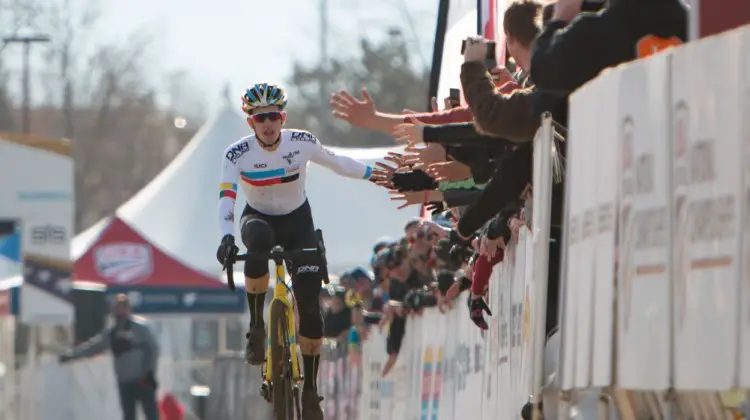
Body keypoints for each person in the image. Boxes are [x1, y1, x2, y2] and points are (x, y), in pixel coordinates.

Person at [215, 82, 378, 419]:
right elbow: (227, 199)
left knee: (309, 305)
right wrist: (227, 238)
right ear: (250, 122)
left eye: (273, 115)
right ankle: (257, 328)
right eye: (260, 118)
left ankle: (311, 391)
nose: (268, 123)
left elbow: (340, 164)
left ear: (283, 117)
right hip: (258, 220)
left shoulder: (301, 143)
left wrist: (378, 174)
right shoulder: (236, 153)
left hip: (298, 224)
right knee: (256, 243)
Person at [59, 294, 160, 420]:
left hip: (143, 379)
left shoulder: (140, 328)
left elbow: (153, 350)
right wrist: (72, 355)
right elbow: (94, 347)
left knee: (151, 414)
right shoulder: (113, 333)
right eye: (117, 308)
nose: (119, 311)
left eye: (123, 308)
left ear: (128, 309)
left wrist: (149, 372)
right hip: (125, 381)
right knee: (128, 415)